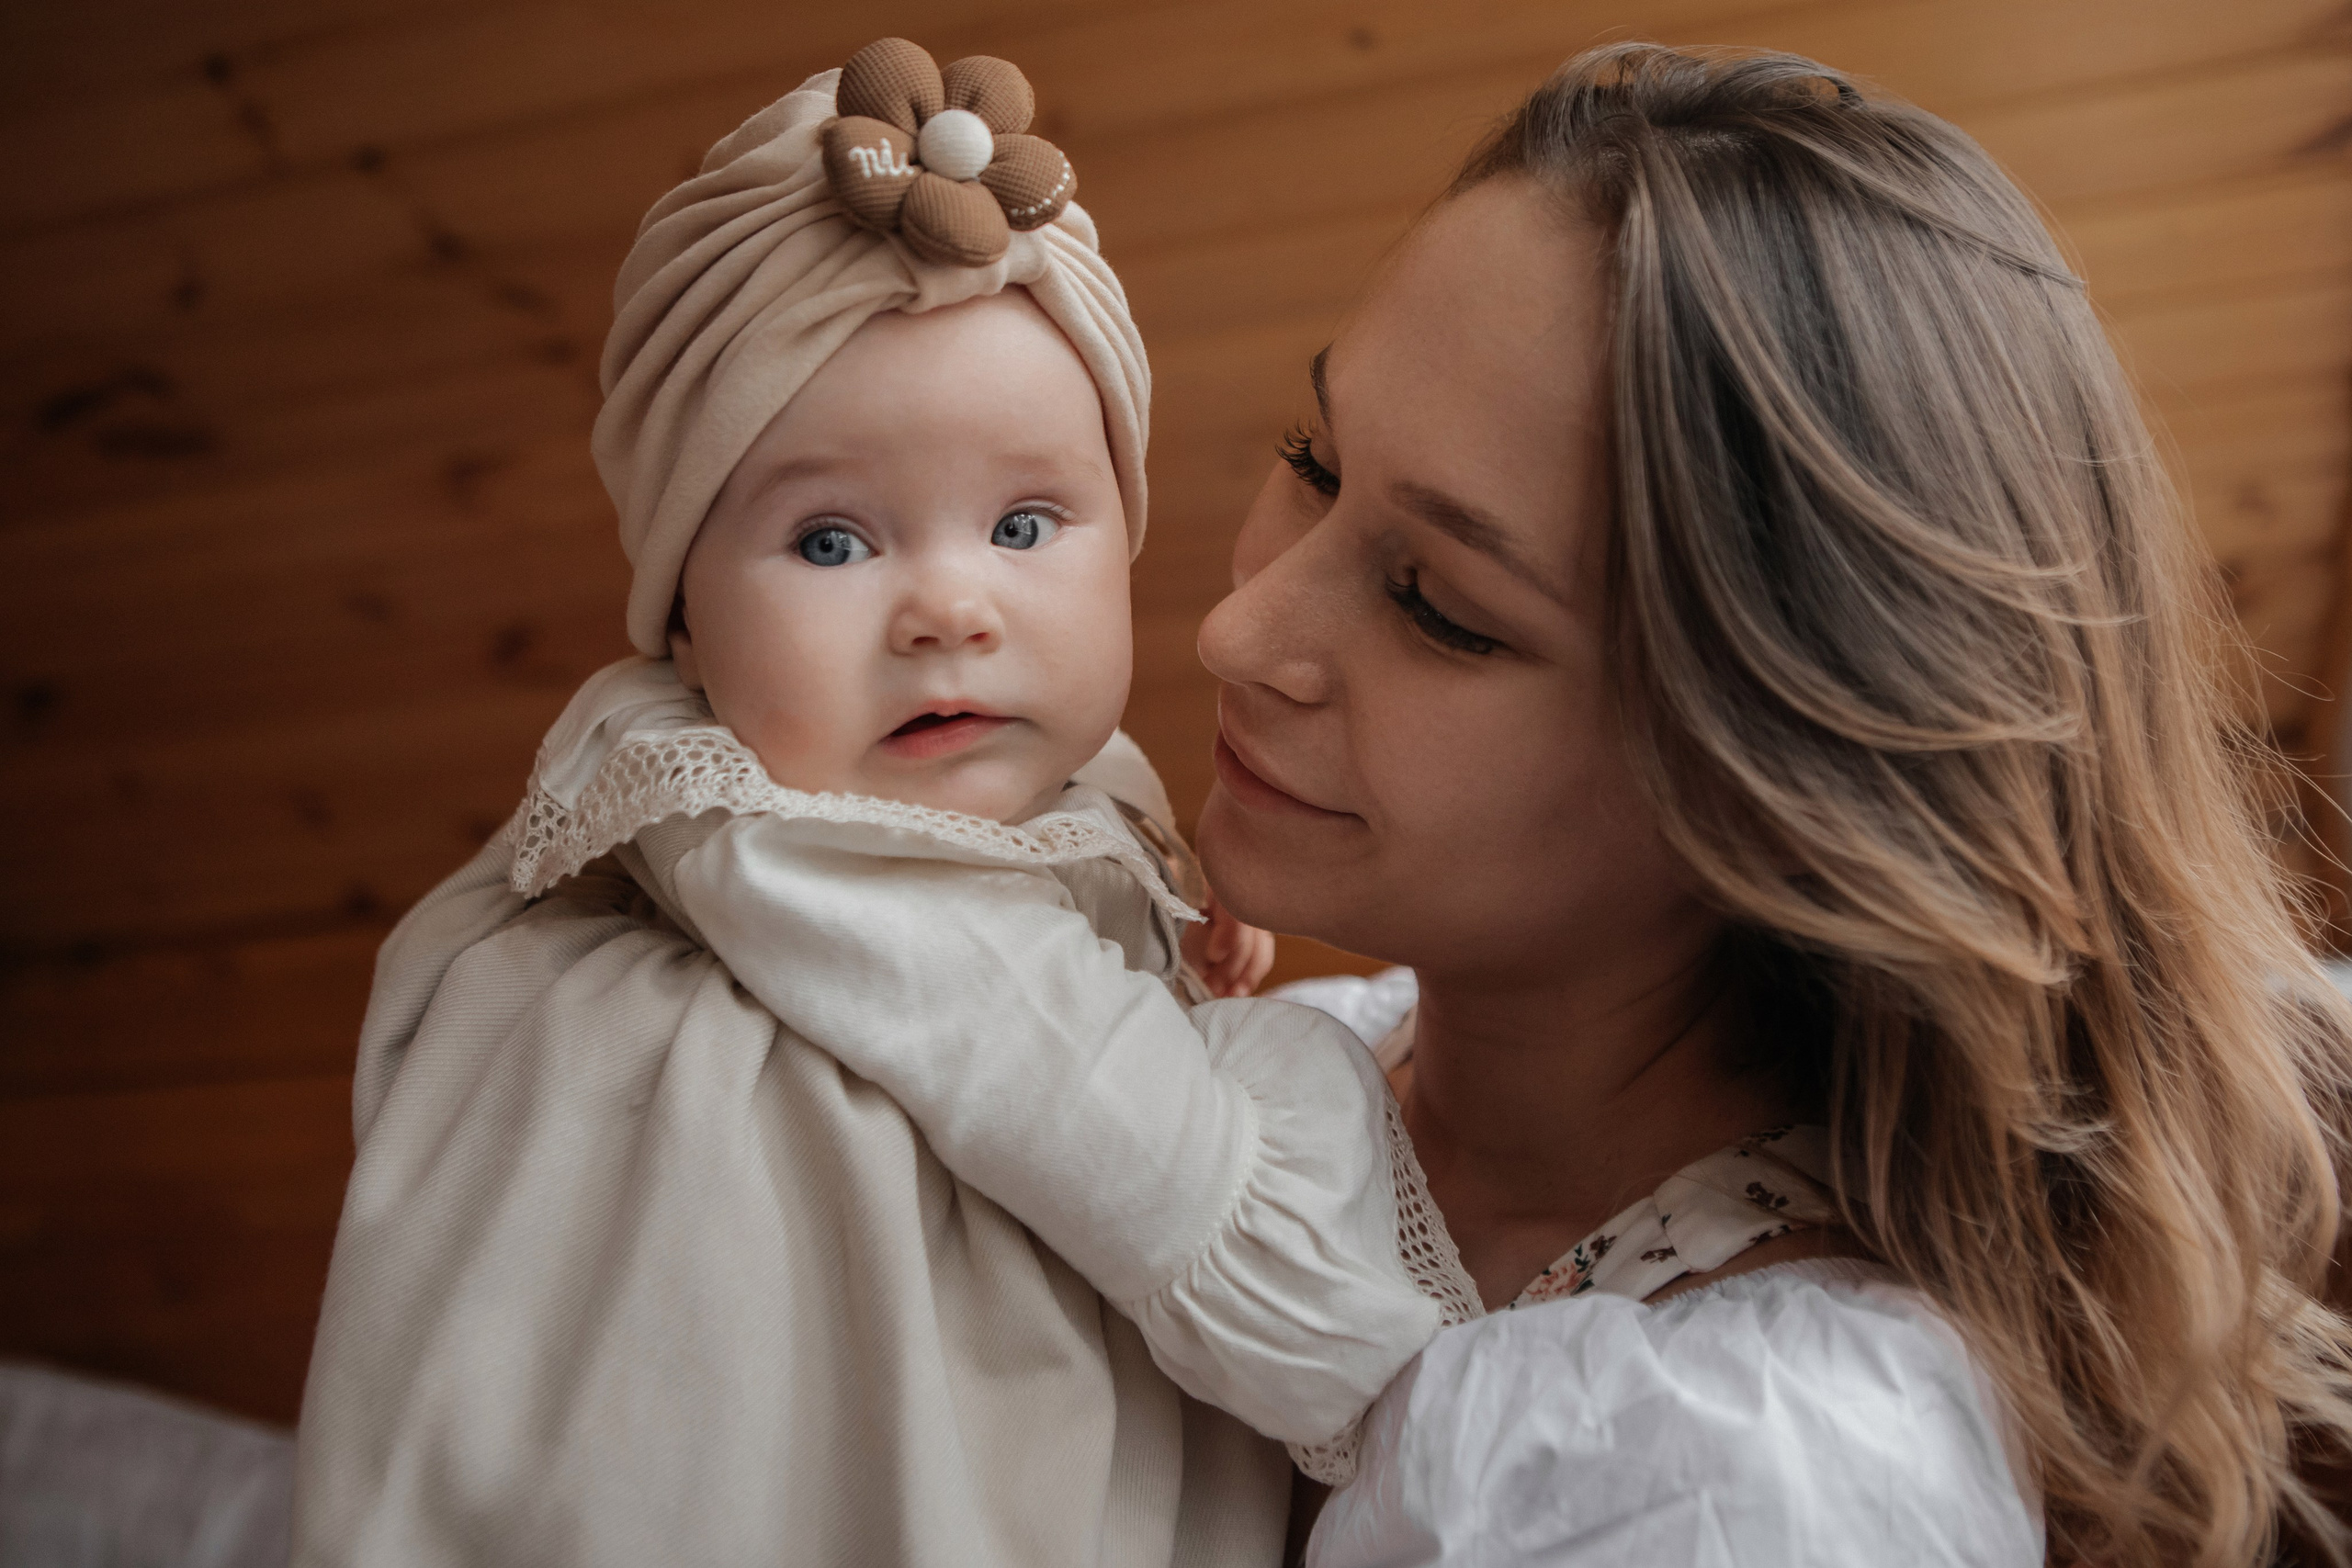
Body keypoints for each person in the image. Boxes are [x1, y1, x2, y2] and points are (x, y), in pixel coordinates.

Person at [289, 39, 1446, 1567]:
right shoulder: (752, 827)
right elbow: (1129, 1135)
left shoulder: (1053, 774)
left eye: (1026, 522)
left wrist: (1173, 933)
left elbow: (1076, 868)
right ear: (684, 619)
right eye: (833, 544)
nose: (949, 609)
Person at [1203, 42, 2352, 1566]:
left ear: (1772, 772)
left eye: (1438, 605)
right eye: (1313, 459)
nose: (1240, 633)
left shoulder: (1747, 1482)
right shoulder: (1284, 1067)